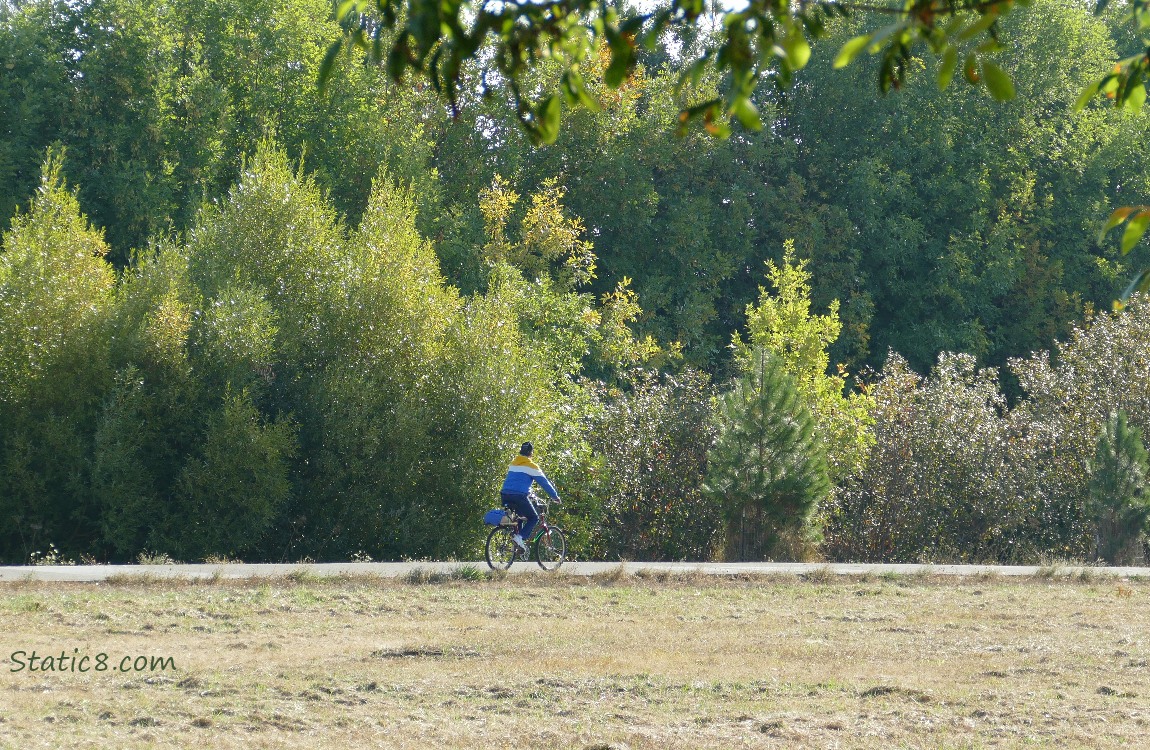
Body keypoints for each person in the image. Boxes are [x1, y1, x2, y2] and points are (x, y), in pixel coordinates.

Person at [501, 442, 560, 555]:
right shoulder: (531, 466)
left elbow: (517, 482)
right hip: (519, 496)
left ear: (521, 452)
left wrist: (529, 492)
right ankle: (519, 537)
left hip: (505, 494)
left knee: (519, 517)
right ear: (531, 453)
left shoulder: (513, 463)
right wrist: (554, 496)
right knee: (533, 518)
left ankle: (517, 541)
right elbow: (544, 482)